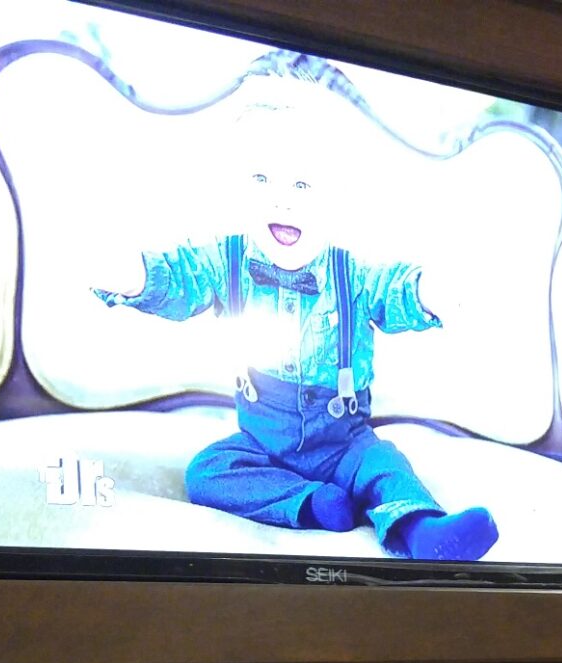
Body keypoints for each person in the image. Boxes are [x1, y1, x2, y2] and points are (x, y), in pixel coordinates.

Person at [93, 92, 499, 561]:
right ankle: (309, 503)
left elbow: (394, 290)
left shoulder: (352, 273)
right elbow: (181, 279)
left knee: (385, 465)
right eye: (261, 179)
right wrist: (135, 277)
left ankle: (422, 530)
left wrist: (432, 291)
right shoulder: (227, 260)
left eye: (302, 185)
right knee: (207, 472)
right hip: (263, 444)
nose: (281, 201)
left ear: (338, 201)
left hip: (344, 444)